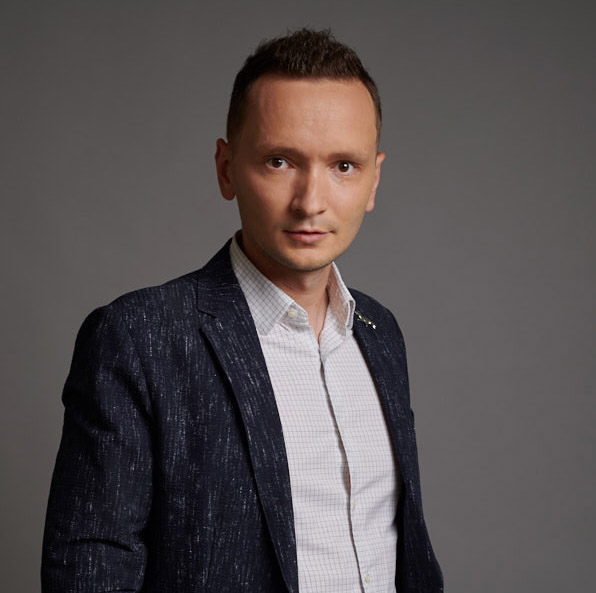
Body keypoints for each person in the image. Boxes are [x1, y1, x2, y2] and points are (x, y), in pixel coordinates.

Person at [42, 28, 443, 593]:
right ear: (227, 168)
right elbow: (90, 571)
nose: (311, 201)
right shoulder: (138, 339)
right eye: (280, 161)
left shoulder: (380, 333)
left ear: (374, 179)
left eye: (343, 166)